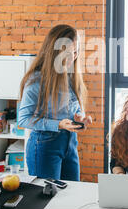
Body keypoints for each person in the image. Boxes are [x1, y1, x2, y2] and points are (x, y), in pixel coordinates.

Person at [18, 24, 92, 181]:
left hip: (70, 144)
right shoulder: (36, 80)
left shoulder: (72, 77)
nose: (74, 58)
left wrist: (81, 119)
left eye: (76, 52)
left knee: (71, 195)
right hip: (45, 145)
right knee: (47, 200)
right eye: (69, 53)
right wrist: (58, 124)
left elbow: (76, 110)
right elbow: (23, 119)